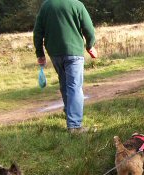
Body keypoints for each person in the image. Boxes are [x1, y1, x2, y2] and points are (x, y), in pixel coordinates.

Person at [33, 0, 97, 133]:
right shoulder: (77, 4)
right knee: (74, 87)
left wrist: (40, 53)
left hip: (55, 53)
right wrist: (90, 46)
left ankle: (70, 114)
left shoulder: (46, 5)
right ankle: (74, 126)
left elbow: (38, 31)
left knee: (65, 85)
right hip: (74, 52)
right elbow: (89, 28)